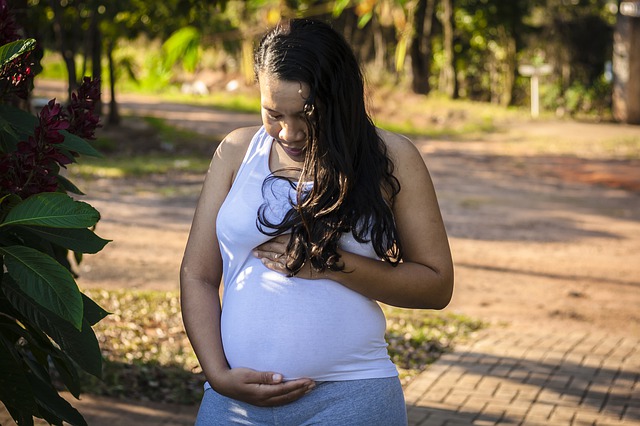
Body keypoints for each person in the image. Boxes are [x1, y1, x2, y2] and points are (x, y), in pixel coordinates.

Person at [180, 18, 454, 425]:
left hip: (351, 399)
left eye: (307, 115)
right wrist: (217, 375)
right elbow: (197, 275)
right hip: (234, 404)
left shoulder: (391, 158)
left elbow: (436, 285)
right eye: (273, 114)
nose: (288, 133)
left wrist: (330, 264)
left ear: (339, 99)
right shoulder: (236, 152)